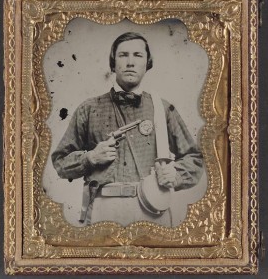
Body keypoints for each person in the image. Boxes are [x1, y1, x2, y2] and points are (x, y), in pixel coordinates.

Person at [52, 32, 203, 227]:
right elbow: (60, 162)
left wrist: (176, 174)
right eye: (123, 55)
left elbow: (194, 158)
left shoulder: (163, 109)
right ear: (113, 63)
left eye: (137, 55)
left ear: (147, 63)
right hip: (102, 209)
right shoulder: (88, 109)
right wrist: (90, 158)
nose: (130, 62)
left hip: (152, 208)